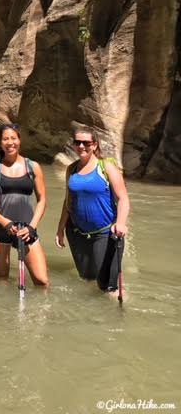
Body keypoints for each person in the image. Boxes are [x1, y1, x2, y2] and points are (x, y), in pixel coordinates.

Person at [55, 126, 130, 294]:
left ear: (94, 145)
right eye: (77, 142)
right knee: (87, 280)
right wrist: (60, 229)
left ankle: (120, 317)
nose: (81, 146)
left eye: (86, 143)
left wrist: (121, 223)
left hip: (105, 233)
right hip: (77, 233)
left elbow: (123, 198)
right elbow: (68, 201)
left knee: (109, 287)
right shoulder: (71, 170)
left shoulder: (107, 167)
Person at [0, 124, 49, 286]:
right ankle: (5, 311)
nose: (10, 142)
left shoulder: (33, 167)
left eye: (13, 138)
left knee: (42, 281)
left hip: (27, 228)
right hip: (0, 228)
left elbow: (42, 200)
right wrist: (3, 222)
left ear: (19, 140)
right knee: (2, 279)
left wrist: (32, 227)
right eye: (5, 139)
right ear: (0, 142)